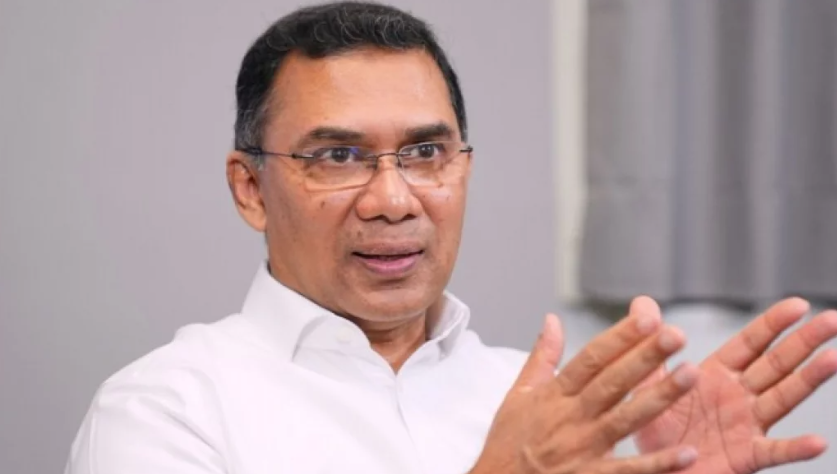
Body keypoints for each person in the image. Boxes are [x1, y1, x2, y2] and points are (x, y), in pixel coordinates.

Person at [64, 2, 837, 474]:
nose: (392, 199)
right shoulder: (164, 412)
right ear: (250, 189)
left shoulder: (541, 404)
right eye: (339, 157)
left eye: (426, 152)